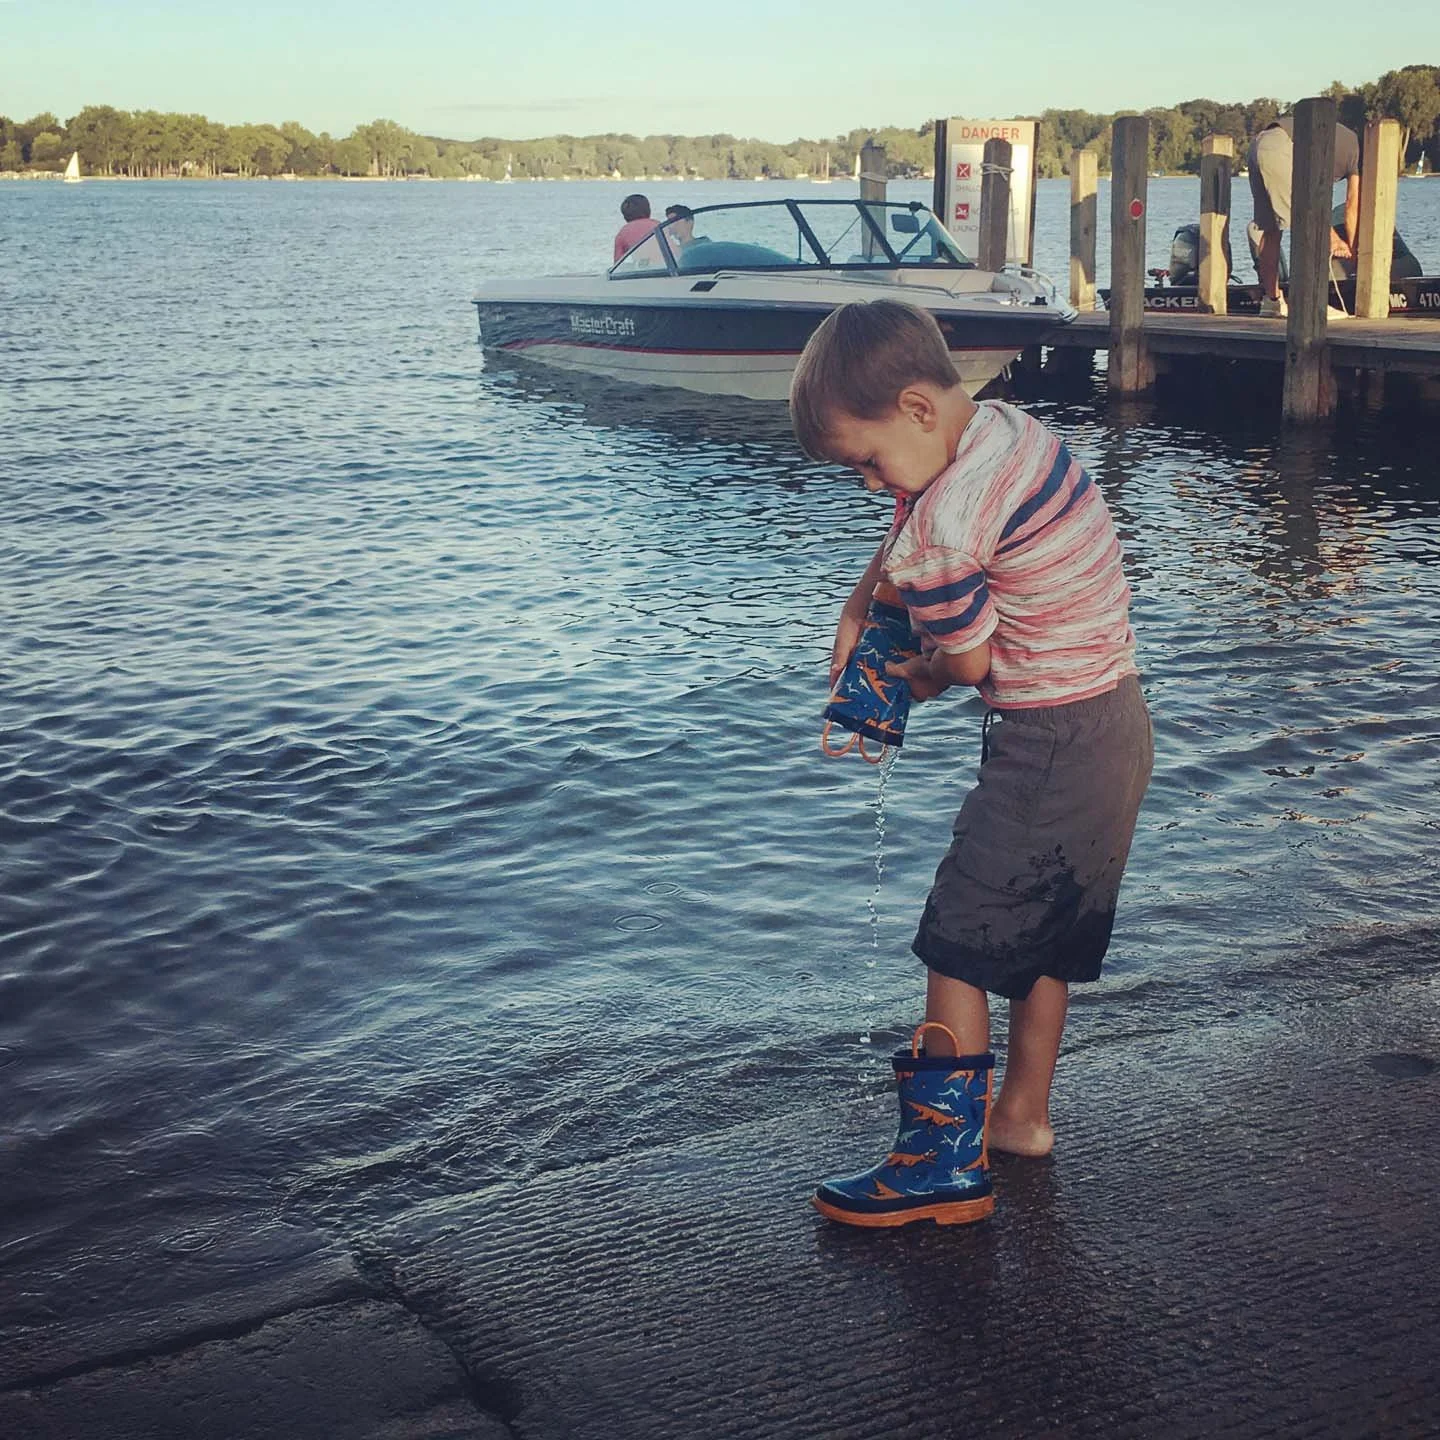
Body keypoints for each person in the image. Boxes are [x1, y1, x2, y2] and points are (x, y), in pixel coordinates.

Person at [790, 300, 1153, 1229]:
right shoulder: (1001, 428)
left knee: (955, 939)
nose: (870, 486)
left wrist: (911, 682)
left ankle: (939, 1169)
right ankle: (1021, 1117)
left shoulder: (945, 522)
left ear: (915, 410)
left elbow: (969, 661)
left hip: (1047, 744)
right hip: (1116, 724)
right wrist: (858, 602)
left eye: (865, 461)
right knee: (1044, 943)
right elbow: (913, 525)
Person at [1248, 115, 1361, 318]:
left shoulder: (1343, 141)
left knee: (1271, 230)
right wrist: (1351, 249)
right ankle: (1312, 305)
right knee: (1309, 225)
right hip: (1282, 148)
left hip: (1259, 144)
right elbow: (1351, 206)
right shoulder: (1358, 153)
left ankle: (1272, 302)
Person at [613, 193, 659, 264]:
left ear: (624, 215)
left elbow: (618, 264)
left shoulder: (623, 233)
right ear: (648, 210)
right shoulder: (657, 225)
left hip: (649, 269)